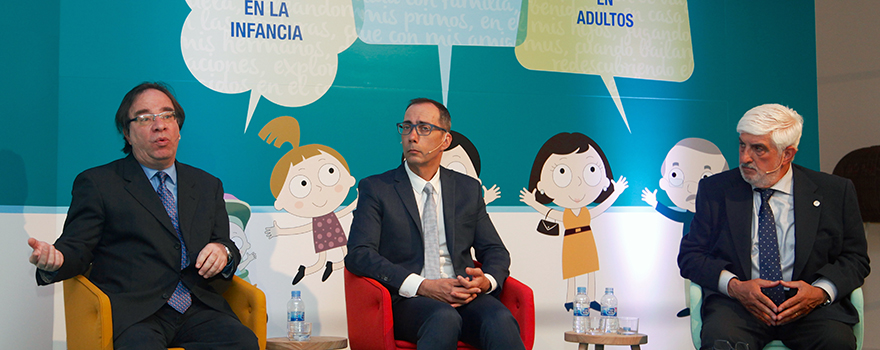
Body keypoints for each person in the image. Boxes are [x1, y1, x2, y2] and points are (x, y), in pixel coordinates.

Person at [26, 82, 259, 350]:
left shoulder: (207, 185)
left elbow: (224, 242)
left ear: (178, 128)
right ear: (127, 133)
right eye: (145, 118)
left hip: (198, 308)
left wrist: (224, 251)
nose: (159, 125)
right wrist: (54, 261)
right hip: (136, 314)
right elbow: (77, 247)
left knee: (243, 342)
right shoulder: (99, 183)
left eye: (167, 115)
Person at [678, 104, 870, 350]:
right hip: (739, 307)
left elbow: (855, 259)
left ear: (787, 154)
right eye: (742, 145)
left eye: (758, 149)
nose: (745, 157)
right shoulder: (716, 190)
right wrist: (735, 287)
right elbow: (691, 256)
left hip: (810, 310)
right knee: (722, 340)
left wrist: (820, 292)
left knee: (836, 341)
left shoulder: (835, 192)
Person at [345, 98, 526, 350]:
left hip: (462, 293)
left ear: (445, 140)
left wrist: (485, 281)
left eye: (424, 128)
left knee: (500, 319)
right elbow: (359, 254)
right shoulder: (377, 188)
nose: (412, 136)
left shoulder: (467, 189)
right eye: (406, 127)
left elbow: (494, 250)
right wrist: (424, 286)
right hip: (408, 299)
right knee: (443, 317)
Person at [519, 132, 628, 311]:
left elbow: (600, 208)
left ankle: (592, 298)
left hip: (587, 239)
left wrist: (615, 193)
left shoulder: (586, 212)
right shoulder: (567, 214)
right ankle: (570, 299)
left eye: (591, 171)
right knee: (571, 272)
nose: (577, 184)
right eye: (562, 172)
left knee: (590, 269)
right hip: (570, 242)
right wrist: (533, 202)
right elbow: (550, 212)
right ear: (541, 185)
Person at [641, 137, 728, 317]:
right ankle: (691, 305)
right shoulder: (690, 214)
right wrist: (655, 204)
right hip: (689, 256)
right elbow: (676, 215)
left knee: (711, 275)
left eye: (705, 177)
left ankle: (708, 303)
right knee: (689, 277)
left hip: (711, 254)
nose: (691, 187)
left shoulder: (713, 212)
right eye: (676, 175)